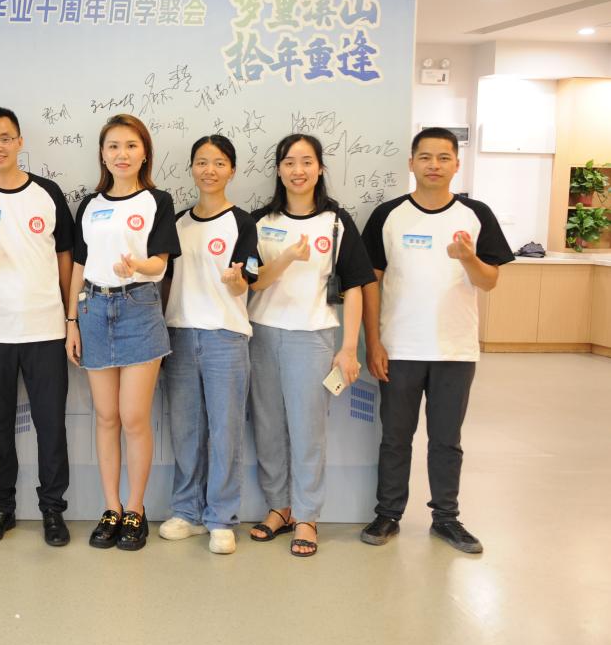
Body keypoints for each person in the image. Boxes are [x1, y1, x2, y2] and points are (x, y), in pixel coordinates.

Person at [359, 127, 513, 554]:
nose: (434, 165)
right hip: (399, 348)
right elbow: (371, 284)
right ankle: (388, 514)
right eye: (425, 157)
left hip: (454, 349)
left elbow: (489, 281)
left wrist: (469, 257)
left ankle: (446, 518)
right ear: (411, 162)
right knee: (395, 438)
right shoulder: (388, 215)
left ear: (456, 165)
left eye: (444, 157)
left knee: (446, 440)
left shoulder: (476, 214)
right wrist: (373, 342)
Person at [246, 134, 375, 557]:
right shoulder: (259, 221)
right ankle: (279, 507)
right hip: (261, 334)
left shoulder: (336, 222)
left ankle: (306, 515)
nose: (297, 170)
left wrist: (349, 347)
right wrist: (285, 258)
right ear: (278, 170)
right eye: (289, 162)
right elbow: (253, 283)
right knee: (267, 427)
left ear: (319, 168)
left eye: (306, 162)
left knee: (307, 430)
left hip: (313, 337)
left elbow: (355, 286)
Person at [0, 107, 73, 548]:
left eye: (4, 138)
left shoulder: (48, 192)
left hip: (46, 329)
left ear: (20, 141)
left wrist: (70, 317)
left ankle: (52, 510)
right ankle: (2, 507)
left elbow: (64, 255)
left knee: (50, 426)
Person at [66, 114, 179, 552]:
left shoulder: (157, 201)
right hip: (93, 309)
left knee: (133, 417)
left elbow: (161, 263)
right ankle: (111, 507)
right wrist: (71, 321)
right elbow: (79, 264)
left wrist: (136, 266)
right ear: (102, 153)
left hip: (139, 307)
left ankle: (136, 508)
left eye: (131, 145)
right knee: (106, 417)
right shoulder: (90, 204)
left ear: (145, 152)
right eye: (113, 146)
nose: (122, 154)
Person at [159, 135, 259, 555]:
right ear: (191, 168)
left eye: (218, 163)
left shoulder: (243, 222)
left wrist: (237, 281)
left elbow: (247, 277)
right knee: (186, 431)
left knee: (225, 432)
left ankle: (221, 517)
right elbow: (165, 279)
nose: (209, 170)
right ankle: (187, 511)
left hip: (225, 337)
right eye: (201, 162)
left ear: (231, 170)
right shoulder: (176, 223)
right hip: (180, 335)